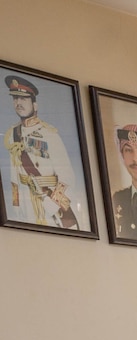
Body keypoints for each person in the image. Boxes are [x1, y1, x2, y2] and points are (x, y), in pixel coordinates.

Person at [5, 74, 84, 229]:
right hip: (25, 207)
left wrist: (51, 204)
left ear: (35, 105)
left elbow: (67, 177)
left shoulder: (49, 135)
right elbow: (14, 178)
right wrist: (15, 208)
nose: (18, 103)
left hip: (47, 203)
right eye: (15, 98)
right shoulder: (11, 135)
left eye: (23, 99)